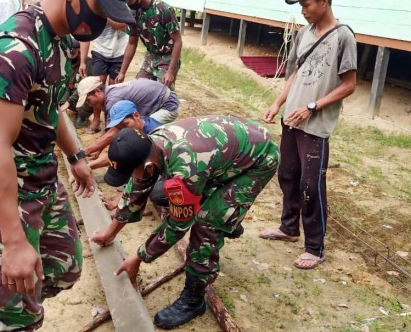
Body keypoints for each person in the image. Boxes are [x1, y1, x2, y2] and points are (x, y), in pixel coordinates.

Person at [0, 0, 134, 331]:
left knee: (63, 266)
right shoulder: (16, 50)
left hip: (39, 177)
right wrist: (14, 241)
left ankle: (8, 303)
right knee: (20, 313)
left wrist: (76, 157)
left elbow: (50, 108)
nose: (103, 22)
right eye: (100, 10)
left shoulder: (60, 41)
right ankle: (6, 313)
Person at [91, 117, 279, 329]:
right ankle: (231, 219)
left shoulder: (186, 168)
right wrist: (110, 232)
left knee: (207, 224)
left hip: (259, 159)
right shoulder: (149, 145)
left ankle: (193, 300)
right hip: (225, 152)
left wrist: (139, 256)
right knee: (165, 194)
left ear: (150, 166)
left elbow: (178, 225)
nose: (130, 178)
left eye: (129, 172)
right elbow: (137, 187)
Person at [259, 0, 357, 270]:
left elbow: (349, 85)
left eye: (307, 4)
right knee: (287, 175)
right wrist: (278, 103)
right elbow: (295, 74)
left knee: (309, 185)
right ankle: (289, 227)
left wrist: (312, 106)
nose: (303, 10)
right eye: (301, 4)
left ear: (324, 2)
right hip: (292, 118)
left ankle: (315, 247)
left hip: (315, 125)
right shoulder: (304, 34)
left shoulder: (343, 37)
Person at [75, 76, 179, 157]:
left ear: (98, 91)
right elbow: (109, 129)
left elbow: (113, 132)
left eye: (88, 100)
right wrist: (98, 150)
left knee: (140, 137)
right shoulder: (109, 93)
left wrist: (87, 150)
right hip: (156, 101)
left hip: (167, 105)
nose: (89, 105)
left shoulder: (113, 99)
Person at [116, 0, 182, 89]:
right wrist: (122, 72)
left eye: (130, 1)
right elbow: (132, 43)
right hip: (150, 58)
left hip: (167, 58)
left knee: (161, 94)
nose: (129, 4)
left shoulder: (163, 10)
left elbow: (178, 41)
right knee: (138, 90)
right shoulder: (134, 14)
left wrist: (170, 71)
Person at [75, 19, 128, 130]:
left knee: (114, 88)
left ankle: (111, 120)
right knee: (95, 87)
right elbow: (85, 35)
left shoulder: (121, 5)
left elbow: (124, 26)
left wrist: (105, 17)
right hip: (100, 51)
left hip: (120, 52)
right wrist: (83, 62)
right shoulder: (93, 9)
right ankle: (96, 119)